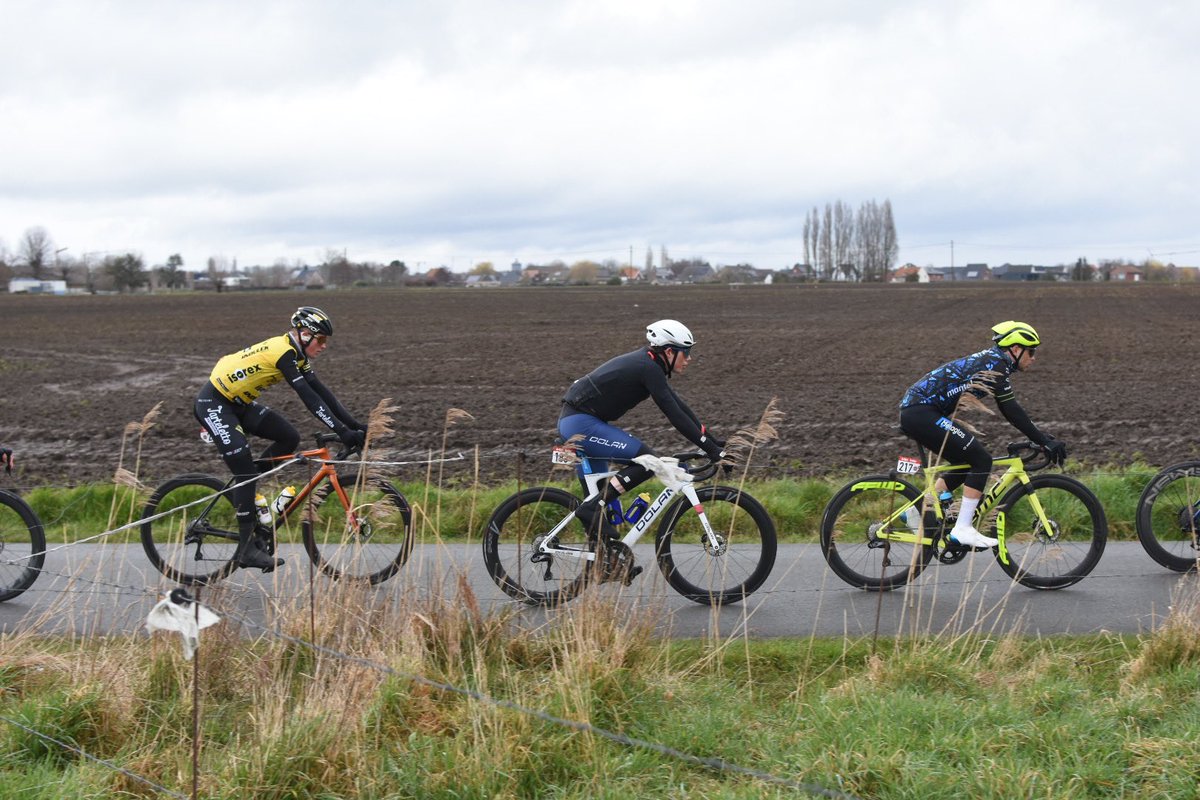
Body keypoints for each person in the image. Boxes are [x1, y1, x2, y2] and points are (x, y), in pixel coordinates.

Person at [195, 307, 366, 571]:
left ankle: (251, 496)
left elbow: (323, 393)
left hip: (239, 404)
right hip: (214, 404)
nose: (323, 346)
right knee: (245, 472)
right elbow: (309, 399)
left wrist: (355, 425)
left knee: (288, 437)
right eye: (321, 340)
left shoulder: (297, 354)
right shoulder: (284, 353)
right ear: (306, 334)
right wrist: (342, 432)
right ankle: (246, 550)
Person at [558, 319, 728, 570]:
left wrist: (711, 441)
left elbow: (680, 406)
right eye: (686, 352)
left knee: (603, 503)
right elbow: (673, 414)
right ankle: (591, 509)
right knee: (648, 462)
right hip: (580, 424)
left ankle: (608, 564)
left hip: (581, 421)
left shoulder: (649, 365)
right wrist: (712, 450)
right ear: (669, 352)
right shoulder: (646, 366)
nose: (689, 358)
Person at [898, 320, 1066, 549]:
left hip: (920, 411)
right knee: (981, 460)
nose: (1034, 357)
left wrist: (1042, 437)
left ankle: (915, 513)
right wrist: (1043, 440)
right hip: (921, 413)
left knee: (963, 462)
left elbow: (1012, 410)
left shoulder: (994, 362)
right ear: (1015, 350)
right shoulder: (996, 364)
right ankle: (963, 529)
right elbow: (1011, 410)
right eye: (1031, 351)